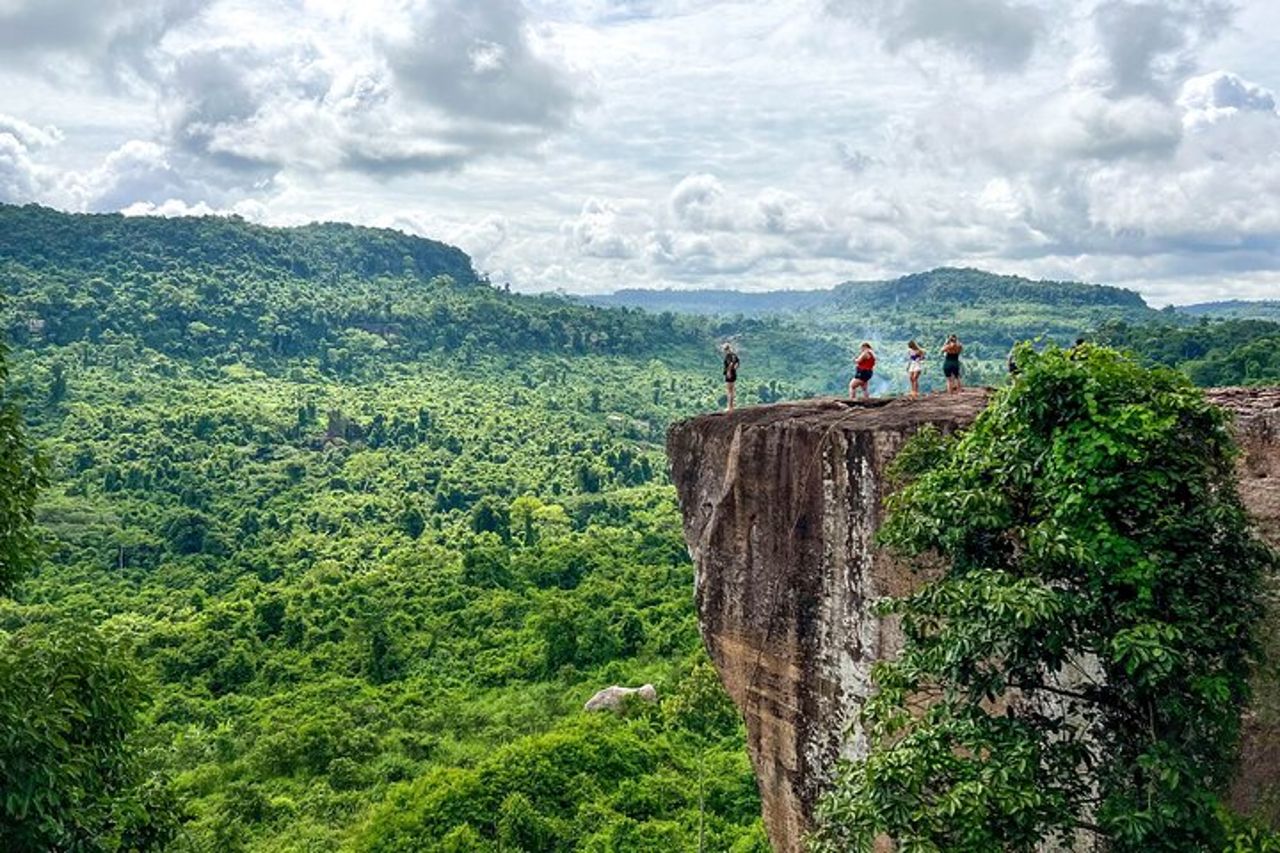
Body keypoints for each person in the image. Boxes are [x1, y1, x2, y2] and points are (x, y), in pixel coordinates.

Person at [721, 342, 740, 411]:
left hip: (729, 374)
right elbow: (737, 364)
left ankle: (729, 407)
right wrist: (734, 369)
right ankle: (732, 406)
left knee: (729, 391)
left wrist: (729, 372)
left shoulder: (728, 356)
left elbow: (731, 363)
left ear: (726, 349)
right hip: (734, 373)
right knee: (732, 391)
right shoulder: (734, 355)